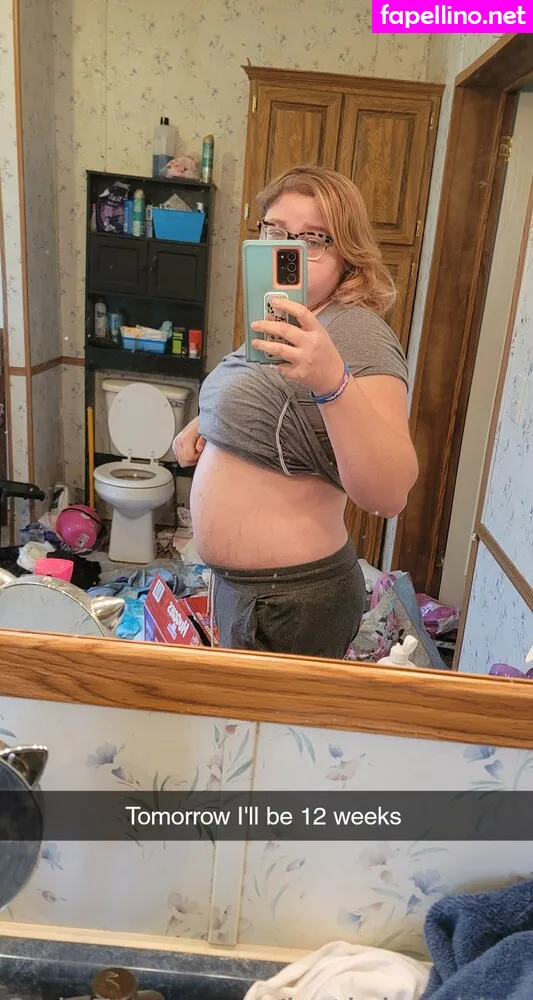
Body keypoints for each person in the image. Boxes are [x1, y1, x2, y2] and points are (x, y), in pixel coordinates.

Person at [173, 166, 418, 658]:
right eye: (278, 231)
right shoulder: (280, 317)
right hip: (252, 594)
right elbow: (271, 401)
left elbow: (390, 494)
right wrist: (210, 425)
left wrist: (332, 379)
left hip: (291, 602)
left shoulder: (355, 331)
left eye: (313, 238)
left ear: (347, 254)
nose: (292, 250)